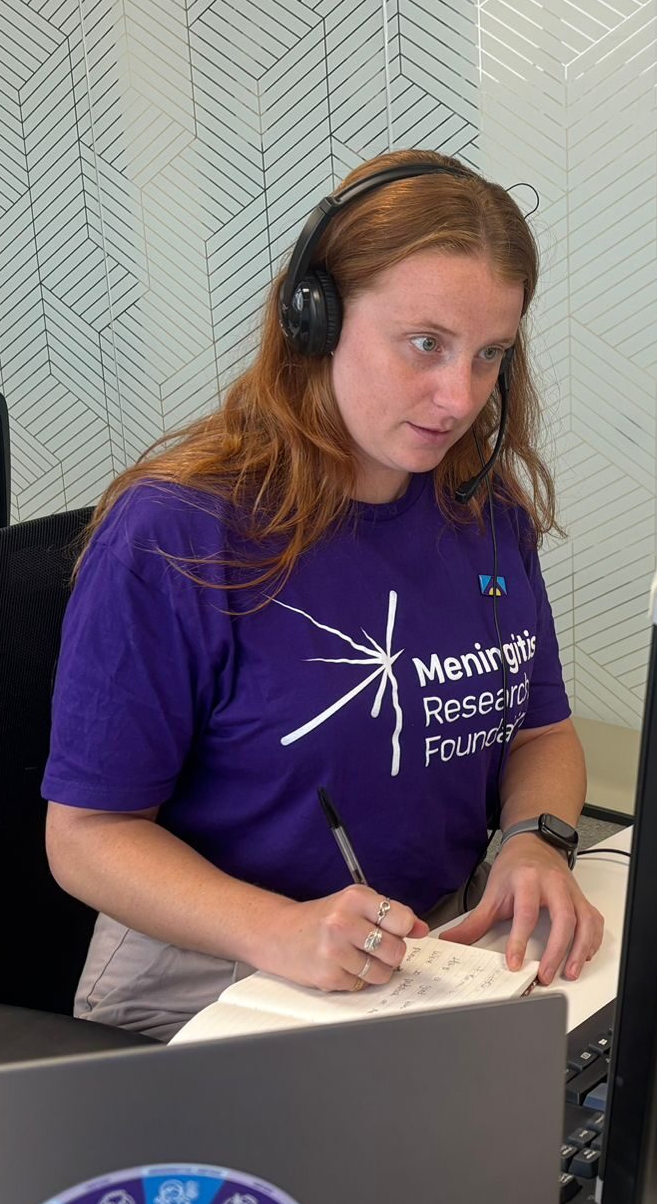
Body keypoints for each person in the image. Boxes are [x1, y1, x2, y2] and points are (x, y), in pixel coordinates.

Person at [42, 150, 601, 1039]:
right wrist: (281, 930)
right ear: (317, 322)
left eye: (489, 353)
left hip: (427, 956)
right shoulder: (177, 533)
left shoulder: (483, 512)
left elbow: (541, 730)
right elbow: (84, 837)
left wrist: (538, 837)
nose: (460, 396)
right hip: (215, 976)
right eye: (426, 344)